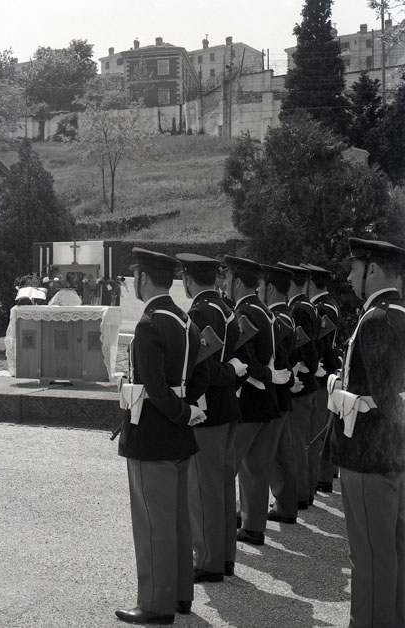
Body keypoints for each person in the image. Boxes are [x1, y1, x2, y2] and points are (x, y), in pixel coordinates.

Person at [116, 247, 208, 625]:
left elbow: (153, 388)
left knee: (154, 524)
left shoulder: (149, 323)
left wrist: (182, 412)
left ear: (142, 278)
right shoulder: (185, 320)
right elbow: (202, 371)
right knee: (178, 521)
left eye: (135, 276)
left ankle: (156, 603)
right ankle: (181, 594)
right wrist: (189, 409)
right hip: (179, 434)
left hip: (152, 434)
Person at [323, 237, 405, 628]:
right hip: (393, 454)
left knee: (371, 555)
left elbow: (387, 397)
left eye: (354, 268)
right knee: (395, 552)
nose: (349, 277)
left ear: (372, 270)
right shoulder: (398, 315)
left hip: (369, 454)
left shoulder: (377, 320)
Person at [177, 253, 244, 582]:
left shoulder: (200, 312)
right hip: (227, 406)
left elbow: (203, 368)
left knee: (204, 489)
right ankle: (225, 556)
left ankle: (208, 560)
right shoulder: (226, 308)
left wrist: (227, 372)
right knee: (222, 487)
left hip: (208, 410)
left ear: (188, 279)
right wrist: (233, 371)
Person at [223, 256, 289, 546]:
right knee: (258, 468)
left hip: (249, 401)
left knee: (228, 466)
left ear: (238, 282)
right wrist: (275, 376)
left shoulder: (245, 312)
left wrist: (267, 375)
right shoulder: (265, 311)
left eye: (227, 278)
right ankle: (253, 526)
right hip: (267, 400)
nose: (224, 283)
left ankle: (227, 524)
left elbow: (247, 360)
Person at [259, 264, 300, 524]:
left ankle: (267, 508)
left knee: (266, 458)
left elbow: (280, 358)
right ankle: (285, 506)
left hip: (275, 392)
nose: (258, 290)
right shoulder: (286, 315)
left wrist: (290, 378)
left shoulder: (278, 318)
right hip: (282, 393)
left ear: (271, 288)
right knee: (281, 456)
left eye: (261, 285)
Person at [277, 262, 320, 509]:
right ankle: (306, 489)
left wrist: (302, 367)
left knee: (297, 444)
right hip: (308, 381)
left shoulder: (299, 309)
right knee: (303, 442)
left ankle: (301, 494)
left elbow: (305, 347)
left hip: (301, 383)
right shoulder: (308, 306)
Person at [302, 263, 341, 495]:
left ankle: (322, 477)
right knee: (324, 428)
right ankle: (325, 474)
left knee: (318, 430)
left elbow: (323, 344)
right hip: (328, 372)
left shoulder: (322, 307)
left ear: (311, 283)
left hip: (322, 374)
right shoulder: (330, 303)